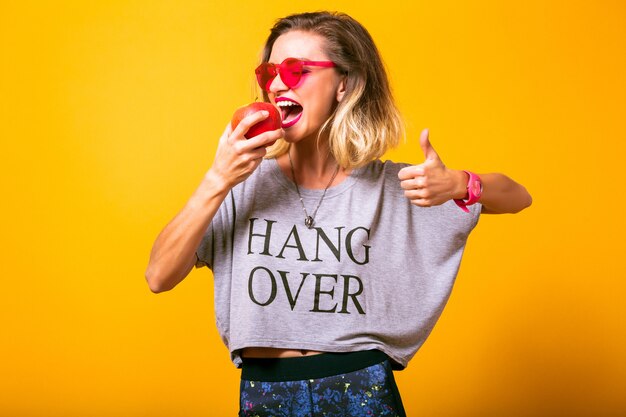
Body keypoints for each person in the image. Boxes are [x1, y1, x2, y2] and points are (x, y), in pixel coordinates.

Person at [145, 11, 532, 417]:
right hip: (266, 394)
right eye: (270, 72)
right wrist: (216, 179)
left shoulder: (390, 186)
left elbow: (518, 196)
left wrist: (459, 184)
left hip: (362, 390)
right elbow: (159, 275)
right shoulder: (240, 182)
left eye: (296, 71)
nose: (278, 84)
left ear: (344, 85)